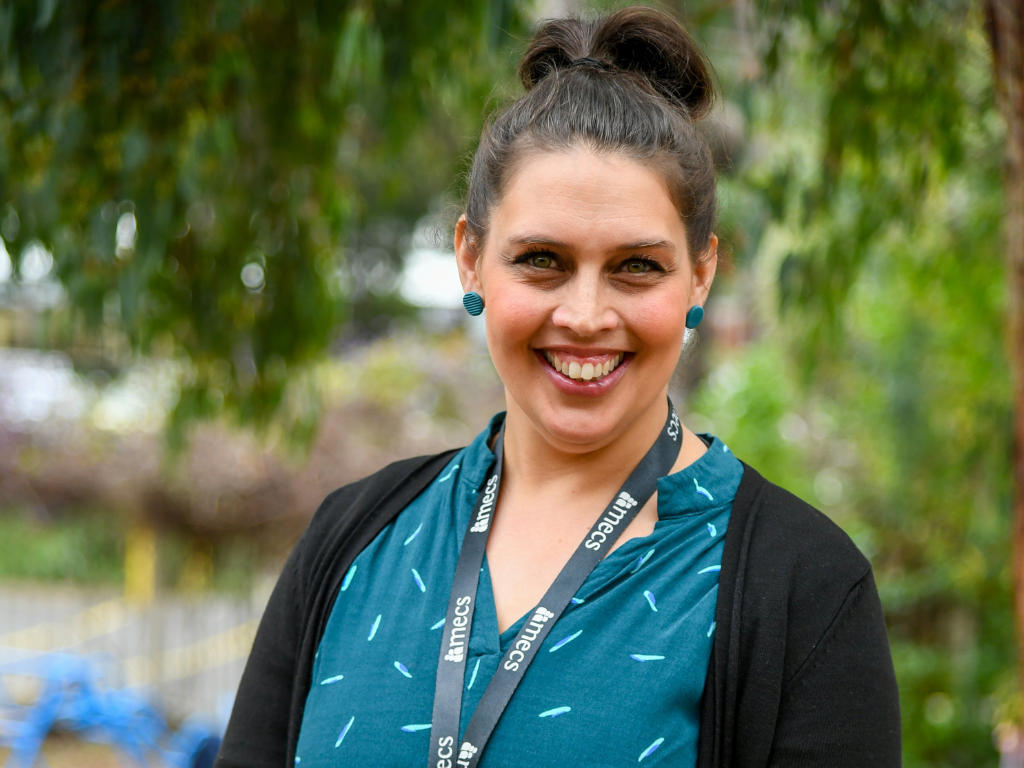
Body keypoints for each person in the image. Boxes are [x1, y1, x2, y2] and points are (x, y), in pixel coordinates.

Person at [214, 7, 901, 768]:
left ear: (701, 274)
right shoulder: (352, 542)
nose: (583, 315)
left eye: (637, 266)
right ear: (470, 259)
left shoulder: (803, 588)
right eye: (541, 259)